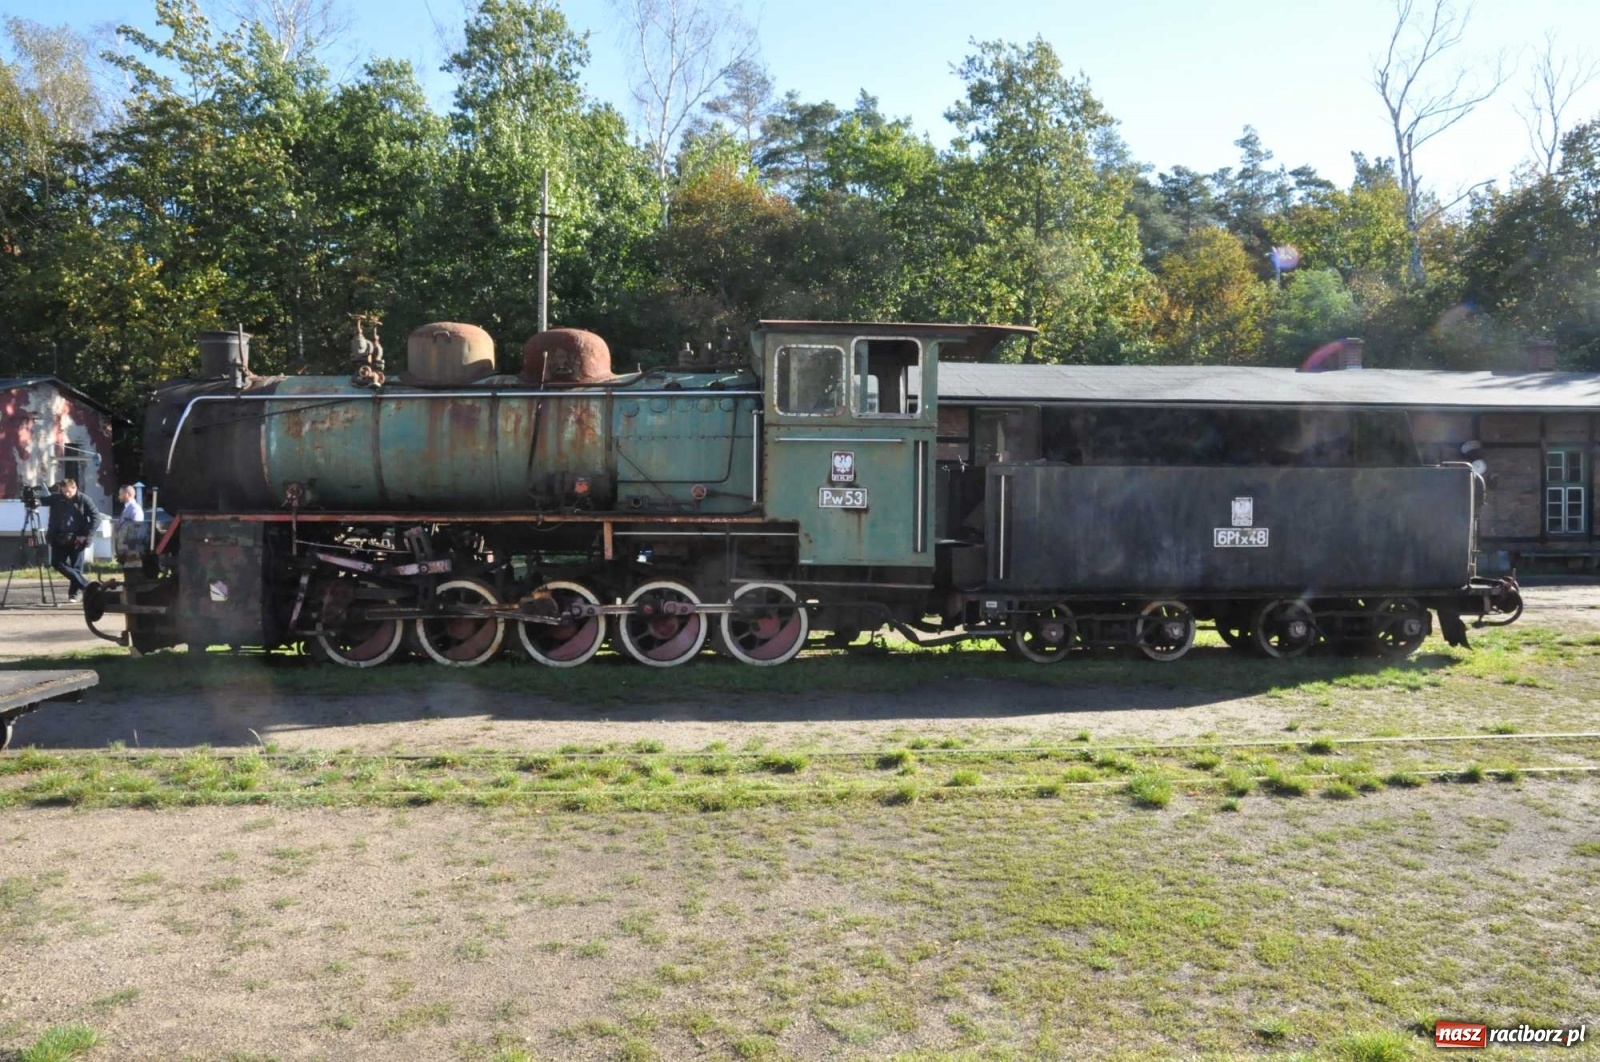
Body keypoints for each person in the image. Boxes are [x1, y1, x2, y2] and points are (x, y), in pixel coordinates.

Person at [46, 478, 101, 601]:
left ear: (75, 488)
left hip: (77, 538)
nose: (66, 494)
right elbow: (43, 500)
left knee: (77, 567)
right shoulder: (56, 498)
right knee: (57, 563)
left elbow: (96, 518)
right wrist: (36, 499)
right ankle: (86, 585)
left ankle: (74, 594)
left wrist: (87, 535)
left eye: (69, 492)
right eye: (64, 491)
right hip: (58, 538)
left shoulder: (84, 499)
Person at [113, 484, 146, 558]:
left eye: (121, 494)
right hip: (125, 548)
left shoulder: (135, 509)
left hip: (131, 549)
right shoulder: (127, 508)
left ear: (127, 494)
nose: (119, 496)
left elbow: (136, 528)